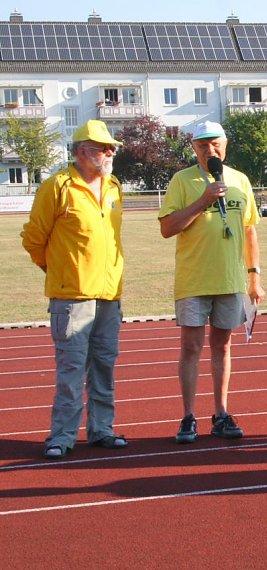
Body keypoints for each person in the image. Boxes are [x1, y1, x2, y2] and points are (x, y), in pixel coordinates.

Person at [21, 120, 128, 459]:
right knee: (71, 369)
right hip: (71, 296)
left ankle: (101, 430)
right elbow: (34, 238)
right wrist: (58, 271)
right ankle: (62, 436)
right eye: (103, 147)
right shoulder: (57, 186)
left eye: (112, 148)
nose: (110, 153)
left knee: (104, 365)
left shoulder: (113, 187)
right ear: (83, 151)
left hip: (109, 294)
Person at [158, 121, 265, 444]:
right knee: (191, 347)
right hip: (193, 278)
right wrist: (203, 200)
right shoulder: (182, 181)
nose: (210, 150)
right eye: (203, 145)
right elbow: (167, 228)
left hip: (230, 278)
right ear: (194, 148)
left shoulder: (240, 181)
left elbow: (249, 231)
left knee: (223, 345)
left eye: (215, 144)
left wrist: (254, 275)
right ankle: (188, 416)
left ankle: (220, 412)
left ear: (225, 145)